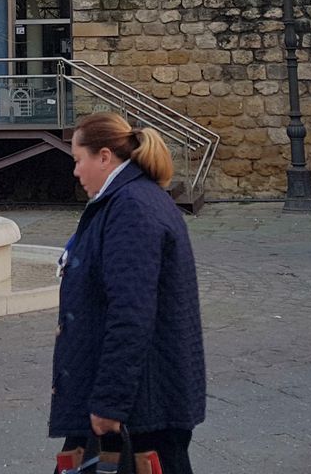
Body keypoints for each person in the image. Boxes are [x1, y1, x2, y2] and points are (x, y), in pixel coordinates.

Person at [51, 112, 206, 474]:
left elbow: (131, 312)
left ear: (104, 157)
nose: (76, 172)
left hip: (138, 409)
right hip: (139, 402)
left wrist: (109, 402)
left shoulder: (131, 208)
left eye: (78, 161)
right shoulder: (128, 200)